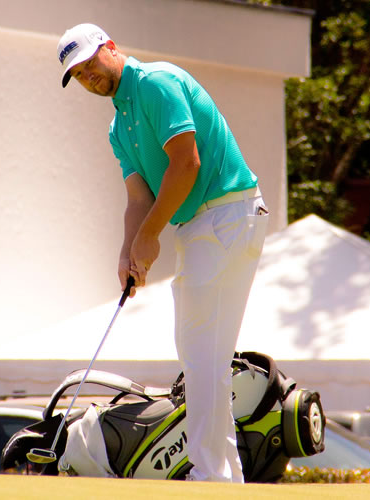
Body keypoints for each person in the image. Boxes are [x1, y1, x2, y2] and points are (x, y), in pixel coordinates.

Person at [57, 23, 268, 483]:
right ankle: (224, 475)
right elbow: (138, 200)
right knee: (206, 355)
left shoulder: (155, 82)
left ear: (111, 48)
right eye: (79, 74)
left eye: (92, 62)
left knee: (198, 350)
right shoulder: (118, 127)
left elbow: (186, 163)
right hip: (207, 225)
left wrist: (150, 237)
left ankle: (210, 474)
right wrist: (128, 251)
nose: (89, 76)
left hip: (226, 214)